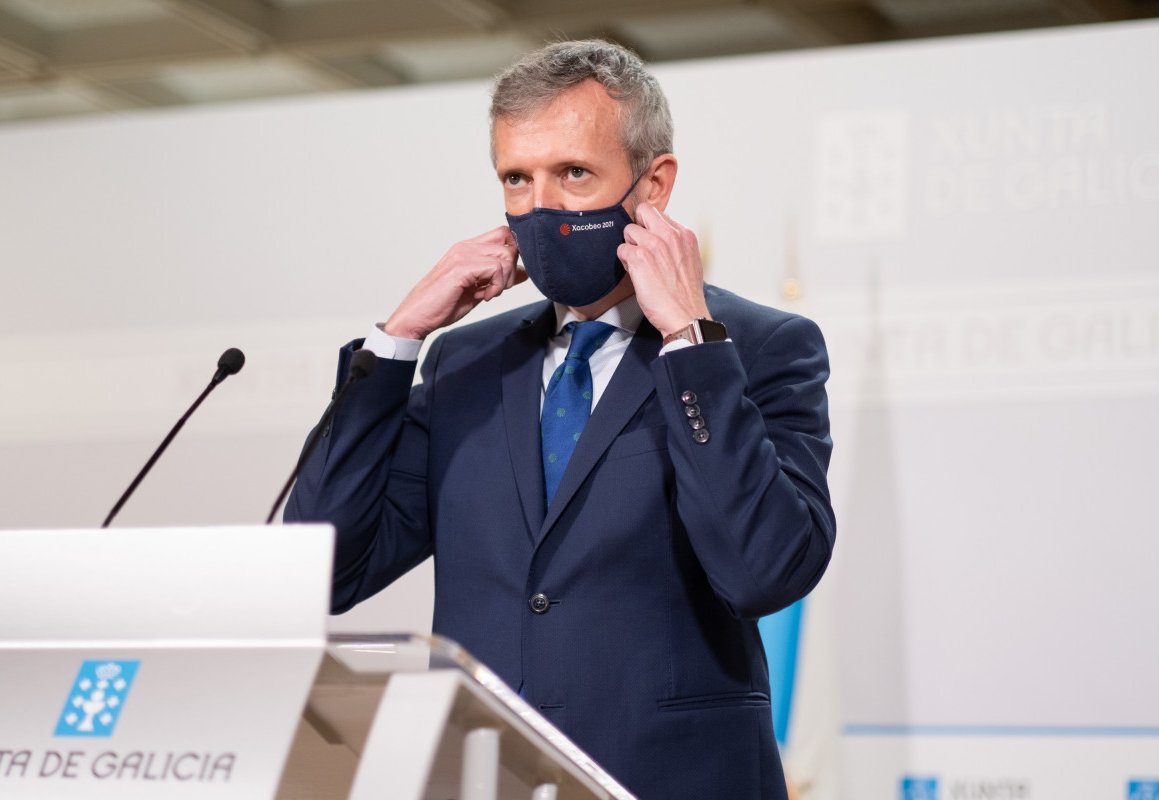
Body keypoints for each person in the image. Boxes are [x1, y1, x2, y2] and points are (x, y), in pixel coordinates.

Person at [285, 39, 835, 800]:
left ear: (655, 184)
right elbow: (320, 569)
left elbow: (764, 571)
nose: (541, 206)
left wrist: (689, 345)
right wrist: (399, 337)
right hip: (484, 777)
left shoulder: (763, 349)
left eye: (573, 174)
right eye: (517, 179)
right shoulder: (464, 366)